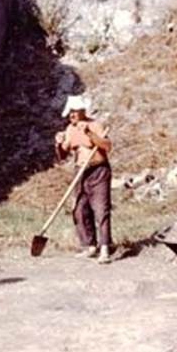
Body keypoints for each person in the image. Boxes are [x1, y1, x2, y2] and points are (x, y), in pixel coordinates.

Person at [54, 95, 114, 264]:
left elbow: (107, 147)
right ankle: (89, 246)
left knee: (101, 210)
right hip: (80, 172)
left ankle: (104, 248)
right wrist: (58, 144)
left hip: (99, 170)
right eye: (70, 112)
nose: (71, 115)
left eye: (74, 112)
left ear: (82, 111)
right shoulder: (70, 130)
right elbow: (63, 155)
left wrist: (89, 132)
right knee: (79, 210)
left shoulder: (96, 125)